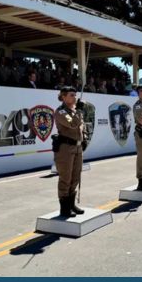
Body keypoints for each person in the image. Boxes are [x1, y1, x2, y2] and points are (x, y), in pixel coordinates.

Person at [53, 86, 87, 218]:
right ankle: (64, 208)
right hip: (66, 148)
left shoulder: (74, 111)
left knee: (75, 177)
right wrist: (78, 110)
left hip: (77, 147)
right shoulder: (61, 112)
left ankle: (71, 204)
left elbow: (81, 126)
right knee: (65, 178)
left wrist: (84, 138)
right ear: (63, 96)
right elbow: (72, 124)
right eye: (71, 95)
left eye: (75, 94)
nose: (75, 97)